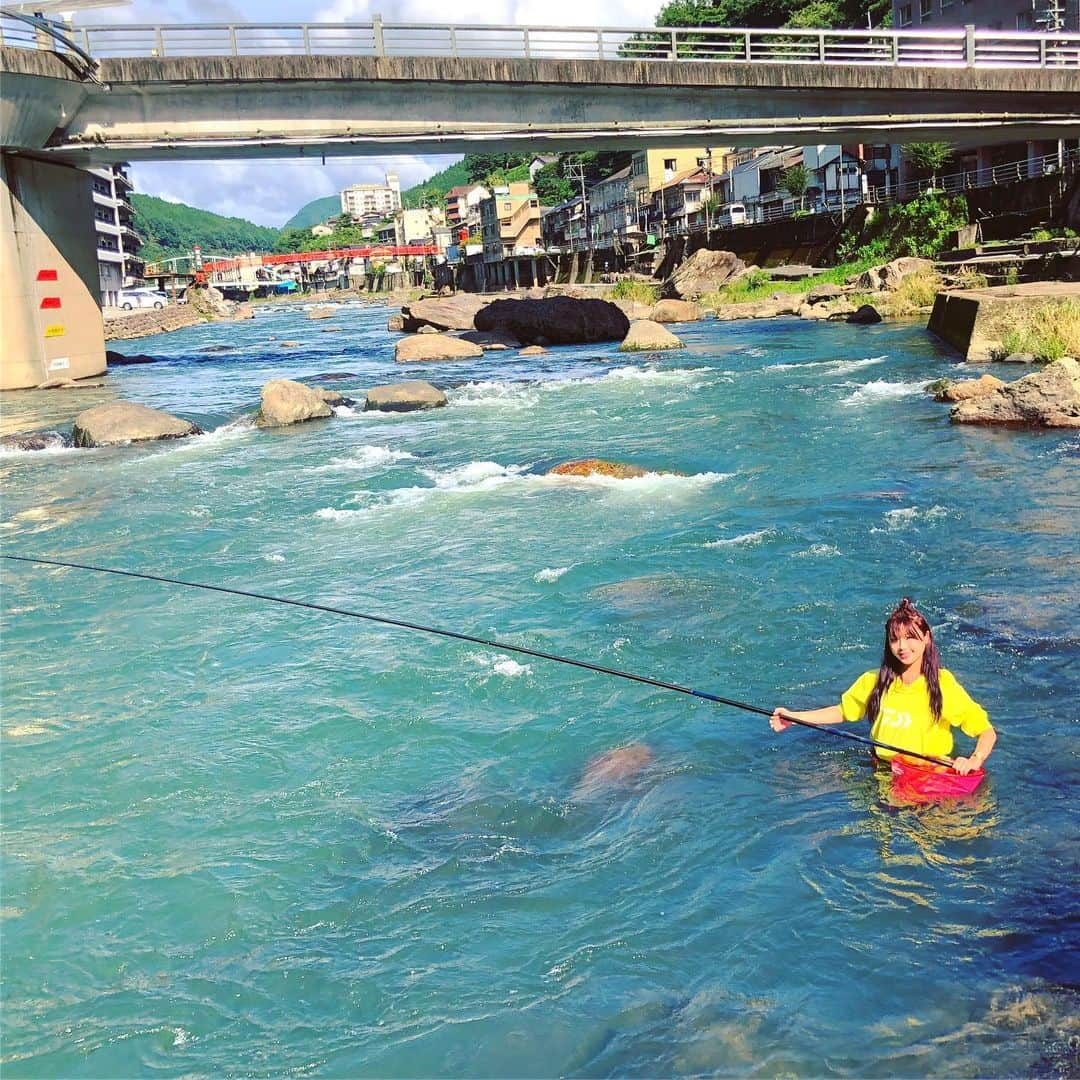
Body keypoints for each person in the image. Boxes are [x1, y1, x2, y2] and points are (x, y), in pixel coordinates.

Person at [770, 598, 996, 775]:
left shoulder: (942, 683)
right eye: (894, 639)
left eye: (910, 638)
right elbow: (842, 711)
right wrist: (794, 717)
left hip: (928, 775)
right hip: (883, 772)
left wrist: (974, 760)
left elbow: (986, 731)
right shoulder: (874, 681)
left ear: (926, 638)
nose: (902, 647)